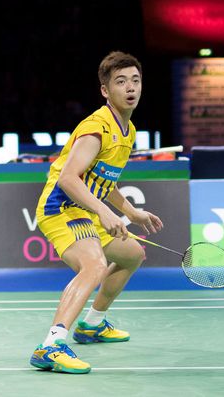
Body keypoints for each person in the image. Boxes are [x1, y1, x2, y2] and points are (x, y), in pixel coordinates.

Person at [29, 51, 163, 374]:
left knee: (132, 254)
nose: (130, 87)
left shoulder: (127, 131)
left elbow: (104, 180)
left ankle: (92, 324)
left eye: (135, 80)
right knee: (94, 265)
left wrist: (131, 210)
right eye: (120, 82)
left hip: (86, 209)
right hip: (61, 207)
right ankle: (51, 345)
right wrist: (104, 213)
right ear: (105, 90)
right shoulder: (96, 128)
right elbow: (68, 178)